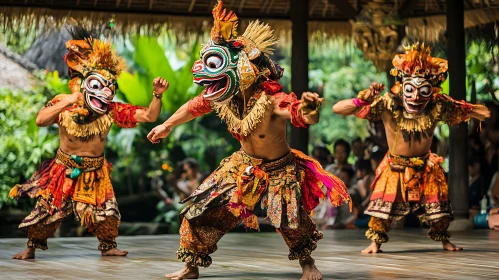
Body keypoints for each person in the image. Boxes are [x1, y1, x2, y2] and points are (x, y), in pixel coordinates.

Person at [147, 2, 350, 279]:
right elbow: (196, 105)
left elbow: (297, 113)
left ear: (244, 68)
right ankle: (191, 266)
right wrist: (166, 125)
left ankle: (308, 264)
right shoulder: (225, 97)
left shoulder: (271, 99)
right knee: (200, 210)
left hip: (280, 167)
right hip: (243, 165)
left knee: (291, 220)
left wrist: (310, 108)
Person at [9, 24, 169, 260]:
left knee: (106, 213)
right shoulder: (65, 102)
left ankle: (108, 245)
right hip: (63, 169)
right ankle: (31, 247)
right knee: (46, 211)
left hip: (95, 171)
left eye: (109, 88)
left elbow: (149, 116)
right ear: (84, 85)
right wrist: (69, 100)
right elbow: (41, 120)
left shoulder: (112, 110)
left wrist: (157, 94)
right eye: (97, 86)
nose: (105, 93)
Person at [332, 43, 490, 253]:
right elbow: (337, 109)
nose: (415, 97)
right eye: (410, 90)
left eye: (422, 91)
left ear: (432, 90)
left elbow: (475, 112)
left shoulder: (437, 104)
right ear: (402, 86)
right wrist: (361, 100)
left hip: (426, 166)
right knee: (381, 209)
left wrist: (475, 111)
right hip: (395, 166)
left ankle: (445, 241)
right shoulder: (387, 104)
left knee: (439, 209)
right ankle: (375, 243)